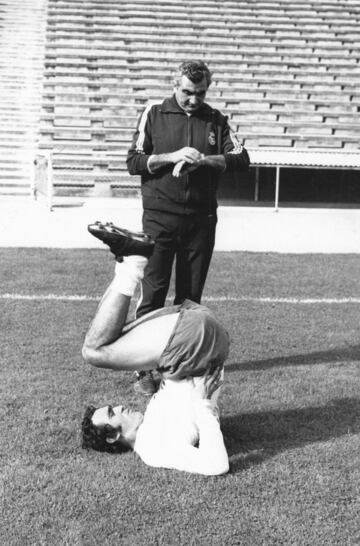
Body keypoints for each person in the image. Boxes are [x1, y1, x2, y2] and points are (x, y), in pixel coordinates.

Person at [126, 59, 250, 394]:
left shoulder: (216, 119)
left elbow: (242, 158)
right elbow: (133, 162)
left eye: (199, 92)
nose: (193, 99)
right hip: (159, 217)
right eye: (186, 92)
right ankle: (143, 369)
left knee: (189, 300)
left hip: (201, 220)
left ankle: (179, 366)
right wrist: (173, 156)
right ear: (174, 85)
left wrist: (205, 160)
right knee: (152, 295)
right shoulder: (153, 112)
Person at [81, 222, 230, 475]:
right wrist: (203, 405)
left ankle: (127, 259)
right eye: (111, 413)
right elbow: (216, 466)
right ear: (111, 437)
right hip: (192, 345)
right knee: (93, 352)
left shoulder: (151, 425)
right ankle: (133, 261)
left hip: (192, 339)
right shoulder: (151, 449)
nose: (118, 407)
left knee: (106, 338)